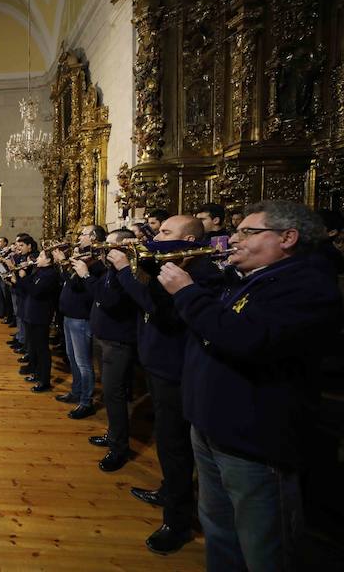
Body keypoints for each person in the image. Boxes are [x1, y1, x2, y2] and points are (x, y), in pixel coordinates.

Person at [157, 200, 344, 571]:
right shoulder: (252, 279)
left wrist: (187, 292)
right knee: (220, 531)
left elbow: (247, 340)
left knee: (263, 545)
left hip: (254, 439)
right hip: (213, 426)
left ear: (287, 238)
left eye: (247, 232)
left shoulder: (307, 286)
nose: (233, 239)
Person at [108, 215, 222, 554]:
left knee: (175, 446)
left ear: (189, 241)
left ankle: (177, 521)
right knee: (168, 442)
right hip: (159, 365)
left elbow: (159, 309)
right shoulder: (168, 265)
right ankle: (170, 490)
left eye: (166, 232)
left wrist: (125, 271)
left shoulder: (200, 275)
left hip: (177, 370)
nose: (158, 236)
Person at [78, 228, 138, 472]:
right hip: (104, 338)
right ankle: (113, 435)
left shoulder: (128, 273)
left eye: (109, 246)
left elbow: (108, 300)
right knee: (110, 392)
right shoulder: (109, 271)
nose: (103, 250)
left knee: (115, 395)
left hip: (117, 341)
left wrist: (85, 276)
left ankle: (119, 447)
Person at [53, 225, 106, 417]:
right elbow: (68, 281)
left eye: (83, 234)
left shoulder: (97, 264)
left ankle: (86, 401)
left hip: (81, 318)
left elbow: (78, 286)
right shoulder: (84, 259)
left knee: (83, 363)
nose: (79, 237)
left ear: (93, 238)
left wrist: (66, 264)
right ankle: (76, 392)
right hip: (69, 316)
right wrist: (65, 264)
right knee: (72, 358)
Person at [12, 249, 59, 392]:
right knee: (33, 346)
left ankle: (44, 381)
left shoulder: (50, 274)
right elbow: (27, 288)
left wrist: (23, 277)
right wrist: (19, 279)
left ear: (49, 260)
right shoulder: (38, 271)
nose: (37, 258)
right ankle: (36, 373)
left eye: (41, 256)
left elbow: (36, 291)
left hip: (41, 316)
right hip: (31, 314)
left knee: (42, 349)